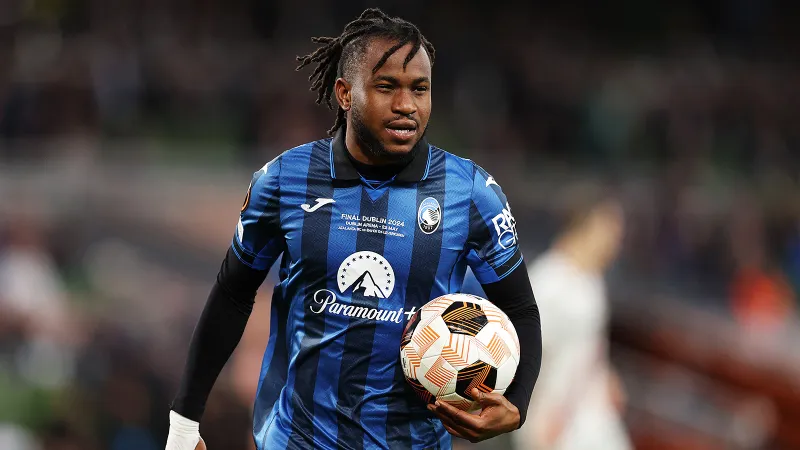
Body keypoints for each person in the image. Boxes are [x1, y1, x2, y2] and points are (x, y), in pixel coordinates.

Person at [165, 8, 541, 450]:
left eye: (420, 89)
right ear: (345, 94)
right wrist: (185, 421)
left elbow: (520, 308)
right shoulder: (285, 180)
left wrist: (517, 405)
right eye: (387, 87)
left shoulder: (470, 192)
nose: (406, 105)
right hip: (297, 439)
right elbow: (232, 293)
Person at [511, 187, 630, 450]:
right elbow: (520, 356)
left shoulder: (592, 281)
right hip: (555, 426)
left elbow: (586, 347)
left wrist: (604, 376)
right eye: (612, 232)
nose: (617, 243)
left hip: (592, 417)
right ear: (590, 226)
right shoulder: (549, 282)